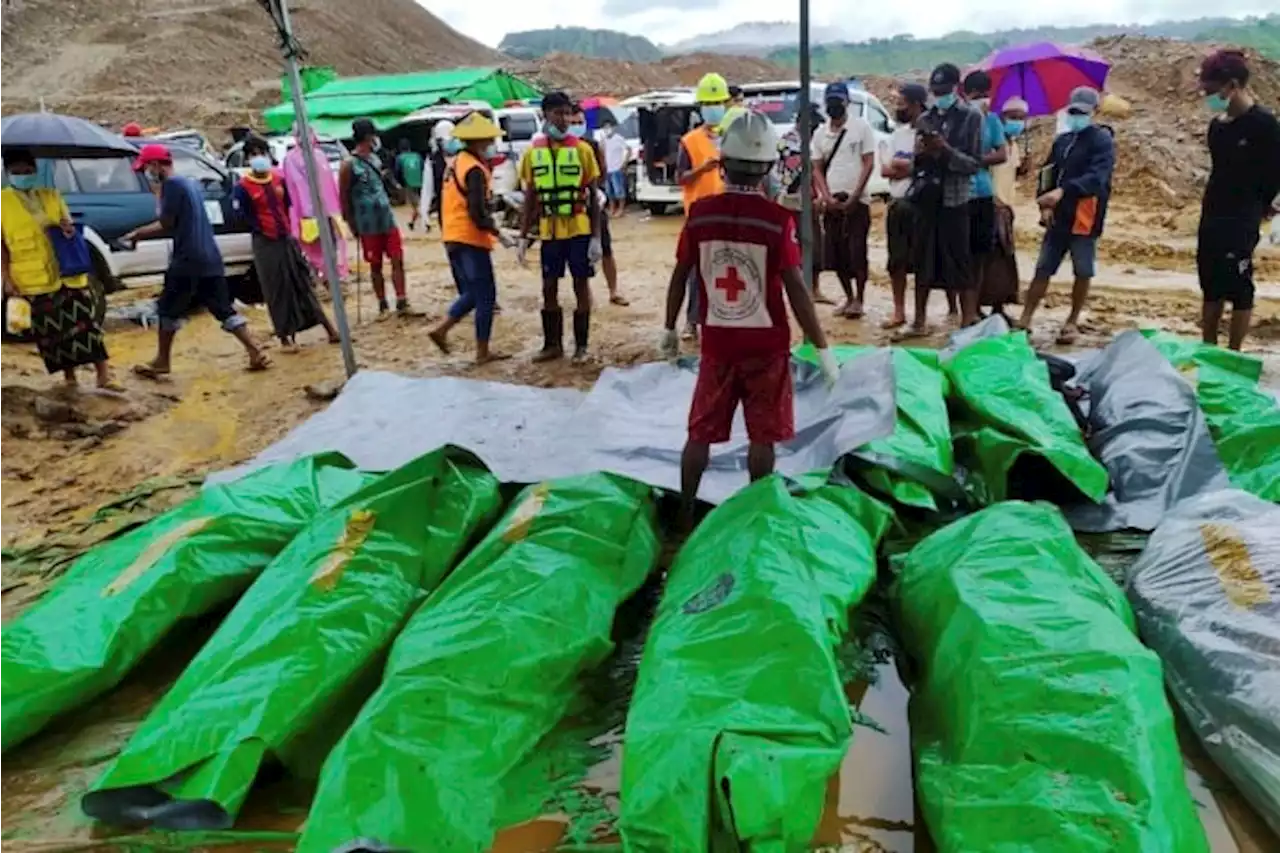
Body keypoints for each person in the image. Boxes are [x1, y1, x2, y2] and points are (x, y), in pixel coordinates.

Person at [658, 111, 839, 527]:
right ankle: (758, 512)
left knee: (700, 432)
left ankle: (686, 513)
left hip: (718, 344)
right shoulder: (777, 222)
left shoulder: (700, 215)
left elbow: (680, 275)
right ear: (768, 169)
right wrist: (823, 348)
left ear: (722, 165)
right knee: (763, 436)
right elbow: (796, 290)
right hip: (767, 347)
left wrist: (669, 329)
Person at [124, 144, 269, 378]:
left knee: (167, 310)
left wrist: (137, 234)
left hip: (187, 258)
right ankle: (254, 351)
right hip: (209, 256)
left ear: (157, 165)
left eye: (148, 168)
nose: (146, 173)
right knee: (223, 308)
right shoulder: (188, 183)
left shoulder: (171, 186)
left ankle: (162, 360)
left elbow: (166, 223)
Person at [0, 148, 119, 391]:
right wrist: (6, 277)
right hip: (32, 279)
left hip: (68, 274)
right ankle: (70, 379)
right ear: (7, 173)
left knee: (86, 325)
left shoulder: (51, 195)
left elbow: (70, 229)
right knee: (53, 334)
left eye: (28, 170)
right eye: (17, 171)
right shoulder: (2, 202)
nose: (23, 175)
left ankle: (103, 376)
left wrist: (68, 229)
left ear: (35, 170)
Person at [1196, 49, 1280, 351]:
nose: (1207, 96)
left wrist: (1269, 209)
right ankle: (1208, 348)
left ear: (1232, 85)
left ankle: (1234, 353)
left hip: (1242, 217)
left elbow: (1274, 174)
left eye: (1211, 90)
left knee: (1238, 286)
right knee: (1210, 285)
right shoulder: (1217, 127)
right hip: (1212, 213)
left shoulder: (1264, 125)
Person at [1018, 87, 1116, 344]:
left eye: (1082, 113)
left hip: (1085, 214)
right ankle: (1025, 318)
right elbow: (1048, 172)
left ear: (1093, 112)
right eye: (1073, 111)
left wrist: (1063, 192)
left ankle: (1072, 320)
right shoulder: (1062, 141)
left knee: (1082, 269)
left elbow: (1097, 178)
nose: (1077, 116)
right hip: (1058, 216)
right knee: (1043, 267)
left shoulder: (1101, 141)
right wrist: (1045, 202)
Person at [231, 136, 340, 352]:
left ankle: (330, 330)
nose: (258, 157)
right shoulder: (243, 187)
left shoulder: (279, 178)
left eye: (261, 152)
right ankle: (285, 338)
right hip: (265, 243)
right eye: (253, 154)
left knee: (303, 283)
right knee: (276, 289)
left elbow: (290, 204)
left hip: (286, 238)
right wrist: (264, 229)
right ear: (247, 158)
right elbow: (243, 216)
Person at [517, 91, 601, 363]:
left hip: (578, 228)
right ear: (545, 115)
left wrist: (597, 238)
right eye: (558, 114)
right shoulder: (533, 153)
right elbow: (530, 197)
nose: (564, 120)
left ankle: (581, 346)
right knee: (548, 286)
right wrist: (522, 236)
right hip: (549, 230)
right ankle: (552, 345)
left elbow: (594, 197)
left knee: (580, 285)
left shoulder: (583, 150)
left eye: (567, 114)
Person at [901, 63, 983, 337]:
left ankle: (968, 321)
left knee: (960, 260)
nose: (939, 95)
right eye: (935, 91)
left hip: (955, 198)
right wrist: (924, 153)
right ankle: (919, 322)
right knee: (922, 259)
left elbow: (974, 163)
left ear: (955, 88)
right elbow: (916, 160)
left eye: (944, 90)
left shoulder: (971, 116)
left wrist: (945, 150)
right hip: (927, 198)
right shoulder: (926, 119)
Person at [428, 113, 512, 364]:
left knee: (474, 293)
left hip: (452, 234)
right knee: (485, 294)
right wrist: (498, 232)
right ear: (479, 140)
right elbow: (476, 212)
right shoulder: (474, 169)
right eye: (488, 139)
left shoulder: (456, 162)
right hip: (469, 237)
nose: (491, 143)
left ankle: (442, 330)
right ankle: (481, 350)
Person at [812, 81, 877, 318]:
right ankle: (848, 297)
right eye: (831, 101)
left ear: (847, 102)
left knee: (857, 251)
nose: (835, 106)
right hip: (832, 202)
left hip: (857, 201)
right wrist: (826, 196)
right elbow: (817, 167)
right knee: (836, 253)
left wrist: (857, 195)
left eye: (838, 101)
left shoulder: (861, 128)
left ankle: (859, 298)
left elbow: (868, 162)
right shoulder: (820, 133)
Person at [676, 73, 731, 339]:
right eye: (710, 103)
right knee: (696, 272)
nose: (714, 108)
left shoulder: (733, 136)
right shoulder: (689, 141)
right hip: (699, 216)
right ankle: (692, 321)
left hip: (729, 214)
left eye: (718, 102)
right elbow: (681, 177)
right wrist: (701, 169)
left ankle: (723, 320)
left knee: (727, 270)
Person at [340, 118, 412, 317]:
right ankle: (382, 303)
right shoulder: (348, 165)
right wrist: (352, 224)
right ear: (367, 136)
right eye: (373, 135)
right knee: (375, 264)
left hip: (387, 218)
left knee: (397, 258)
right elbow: (344, 197)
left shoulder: (375, 159)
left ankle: (401, 299)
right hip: (367, 223)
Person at [961, 71, 1010, 315]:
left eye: (985, 94)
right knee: (963, 254)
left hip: (983, 192)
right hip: (960, 194)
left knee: (981, 253)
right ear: (967, 94)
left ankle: (976, 306)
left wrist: (977, 160)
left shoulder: (991, 120)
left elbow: (1002, 153)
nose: (982, 98)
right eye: (978, 95)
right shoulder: (959, 119)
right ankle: (967, 311)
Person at [880, 83, 927, 329]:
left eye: (902, 103)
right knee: (896, 261)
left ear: (917, 105)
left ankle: (920, 316)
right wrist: (910, 168)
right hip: (898, 202)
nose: (898, 108)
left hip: (922, 205)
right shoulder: (898, 134)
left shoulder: (928, 132)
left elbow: (925, 167)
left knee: (922, 261)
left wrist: (907, 168)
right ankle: (899, 311)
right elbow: (886, 169)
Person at [282, 127, 349, 286]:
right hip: (308, 214)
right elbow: (296, 186)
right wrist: (308, 211)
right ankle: (319, 279)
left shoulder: (319, 155)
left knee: (333, 245)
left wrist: (337, 206)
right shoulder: (291, 159)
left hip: (329, 211)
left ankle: (333, 277)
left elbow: (329, 183)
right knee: (312, 247)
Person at [984, 96, 1029, 320]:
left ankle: (998, 307)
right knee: (990, 260)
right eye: (1012, 118)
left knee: (1004, 262)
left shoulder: (1014, 147)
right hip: (992, 206)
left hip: (1006, 208)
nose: (1017, 123)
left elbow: (1012, 172)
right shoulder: (995, 144)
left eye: (1021, 118)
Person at [599, 116, 632, 218]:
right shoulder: (603, 140)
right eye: (605, 128)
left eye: (608, 127)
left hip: (616, 168)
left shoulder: (618, 138)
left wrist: (624, 163)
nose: (607, 130)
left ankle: (621, 209)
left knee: (619, 191)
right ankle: (612, 208)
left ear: (613, 128)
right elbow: (602, 153)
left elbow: (628, 149)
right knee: (609, 191)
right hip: (607, 169)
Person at [394, 138, 426, 232]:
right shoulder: (417, 155)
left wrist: (399, 184)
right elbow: (423, 167)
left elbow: (397, 171)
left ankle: (425, 222)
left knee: (416, 205)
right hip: (421, 182)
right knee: (418, 203)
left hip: (409, 183)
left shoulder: (400, 158)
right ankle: (413, 223)